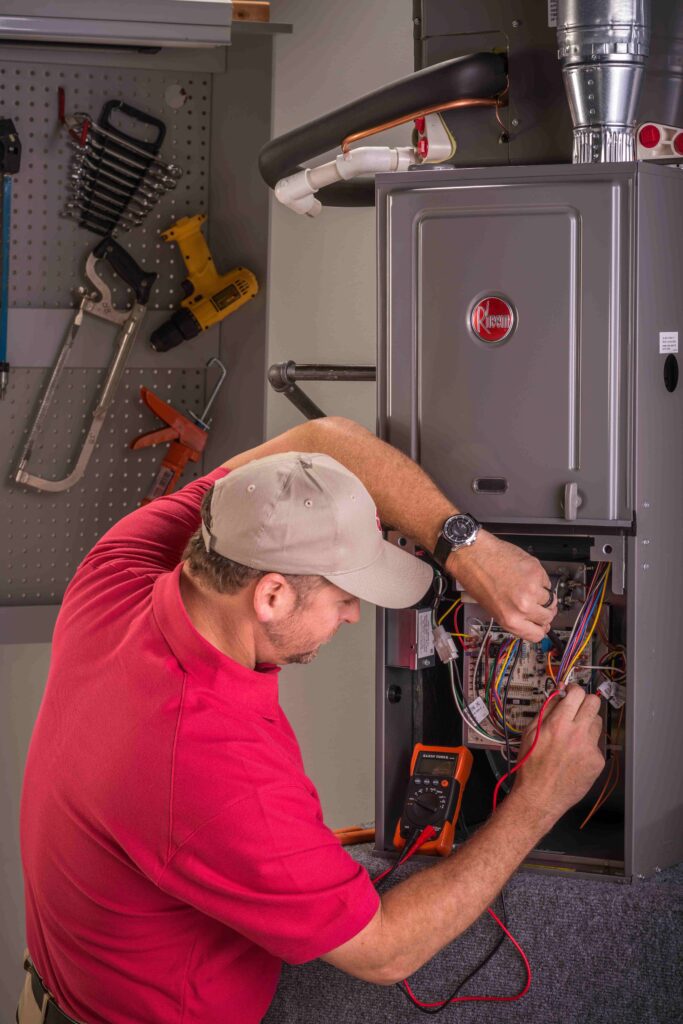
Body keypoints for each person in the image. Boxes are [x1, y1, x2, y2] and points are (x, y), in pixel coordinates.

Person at [19, 416, 604, 1024]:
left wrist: (468, 548)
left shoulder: (120, 569)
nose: (354, 616)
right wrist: (542, 795)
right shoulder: (214, 770)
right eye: (343, 595)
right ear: (270, 595)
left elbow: (320, 442)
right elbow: (385, 949)